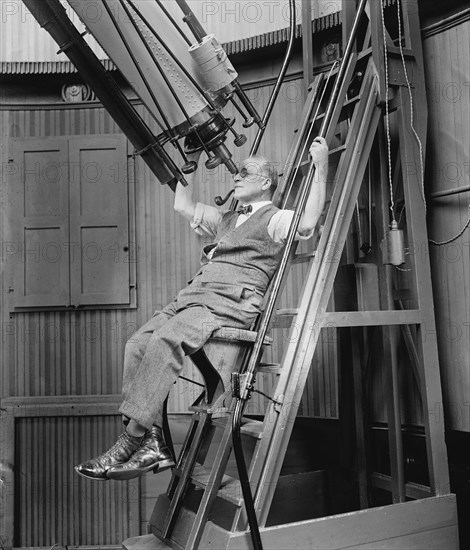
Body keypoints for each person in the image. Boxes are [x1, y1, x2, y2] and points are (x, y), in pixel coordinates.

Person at [75, 136, 329, 481]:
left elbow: (309, 224)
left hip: (231, 303)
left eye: (245, 173)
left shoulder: (275, 218)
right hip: (194, 298)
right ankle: (155, 442)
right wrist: (188, 162)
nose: (236, 177)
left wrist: (322, 166)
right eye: (236, 172)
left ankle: (130, 441)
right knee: (135, 344)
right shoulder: (225, 219)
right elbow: (182, 205)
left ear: (266, 182)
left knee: (166, 340)